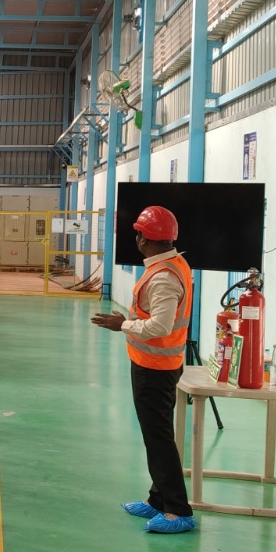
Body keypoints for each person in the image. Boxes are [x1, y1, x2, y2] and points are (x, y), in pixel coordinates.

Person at [91, 206, 197, 535]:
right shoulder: (172, 264)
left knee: (159, 437)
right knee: (155, 435)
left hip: (156, 369)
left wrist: (123, 324)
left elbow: (160, 326)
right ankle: (158, 499)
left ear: (142, 238)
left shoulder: (164, 277)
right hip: (156, 364)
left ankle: (178, 510)